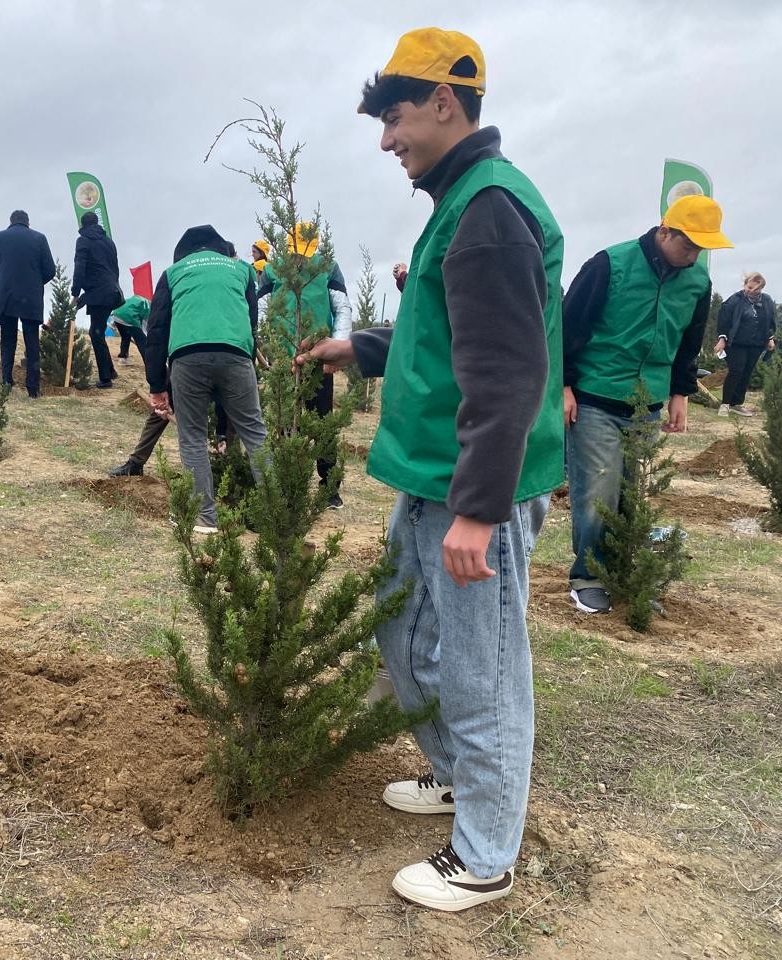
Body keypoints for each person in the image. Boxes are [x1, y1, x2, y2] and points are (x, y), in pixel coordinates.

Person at [299, 27, 565, 912]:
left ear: (446, 102)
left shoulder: (490, 213)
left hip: (469, 489)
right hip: (429, 474)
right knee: (402, 636)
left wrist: (481, 512)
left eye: (396, 117)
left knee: (477, 668)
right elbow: (449, 334)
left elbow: (509, 373)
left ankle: (486, 852)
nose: (386, 141)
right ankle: (458, 778)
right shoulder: (459, 206)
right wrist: (363, 347)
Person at [563, 194, 730, 613]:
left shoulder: (697, 283)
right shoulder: (610, 265)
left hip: (647, 404)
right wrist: (563, 387)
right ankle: (588, 575)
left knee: (630, 494)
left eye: (701, 248)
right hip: (595, 397)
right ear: (664, 231)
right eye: (687, 245)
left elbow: (689, 344)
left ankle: (622, 572)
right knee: (597, 491)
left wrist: (680, 394)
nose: (693, 255)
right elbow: (568, 326)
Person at [144, 225, 267, 534]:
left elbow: (156, 332)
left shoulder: (173, 273)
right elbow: (250, 321)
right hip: (236, 355)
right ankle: (276, 514)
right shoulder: (242, 270)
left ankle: (204, 518)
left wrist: (158, 387)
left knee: (193, 436)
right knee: (255, 434)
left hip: (188, 358)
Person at [256, 221, 354, 509]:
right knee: (281, 420)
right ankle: (281, 482)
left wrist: (337, 348)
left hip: (317, 358)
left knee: (322, 423)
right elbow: (262, 309)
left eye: (306, 251)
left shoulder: (328, 267)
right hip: (282, 360)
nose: (302, 257)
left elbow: (342, 307)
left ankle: (329, 488)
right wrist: (267, 347)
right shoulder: (273, 270)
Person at [0, 210, 56, 398]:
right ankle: (33, 387)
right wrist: (36, 282)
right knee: (32, 343)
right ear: (28, 222)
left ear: (11, 222)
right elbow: (50, 270)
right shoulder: (40, 239)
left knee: (7, 340)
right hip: (31, 298)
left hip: (6, 296)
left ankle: (7, 381)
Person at [71, 211, 123, 388]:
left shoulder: (83, 240)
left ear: (82, 225)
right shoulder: (109, 242)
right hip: (112, 290)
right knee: (97, 330)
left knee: (96, 332)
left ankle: (105, 378)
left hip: (99, 292)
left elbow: (79, 266)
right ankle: (110, 371)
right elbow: (115, 267)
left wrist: (75, 292)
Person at [715, 271, 775, 416]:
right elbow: (724, 319)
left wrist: (770, 338)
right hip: (736, 342)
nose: (752, 291)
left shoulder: (766, 300)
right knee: (736, 370)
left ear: (761, 288)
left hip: (756, 343)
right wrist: (722, 339)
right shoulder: (735, 299)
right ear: (745, 284)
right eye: (749, 287)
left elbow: (770, 321)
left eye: (756, 289)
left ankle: (737, 404)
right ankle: (725, 404)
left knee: (747, 372)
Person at [112, 294, 150, 364]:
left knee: (125, 337)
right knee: (141, 340)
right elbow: (145, 328)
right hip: (129, 316)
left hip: (116, 314)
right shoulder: (149, 308)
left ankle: (123, 358)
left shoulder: (139, 300)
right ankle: (150, 363)